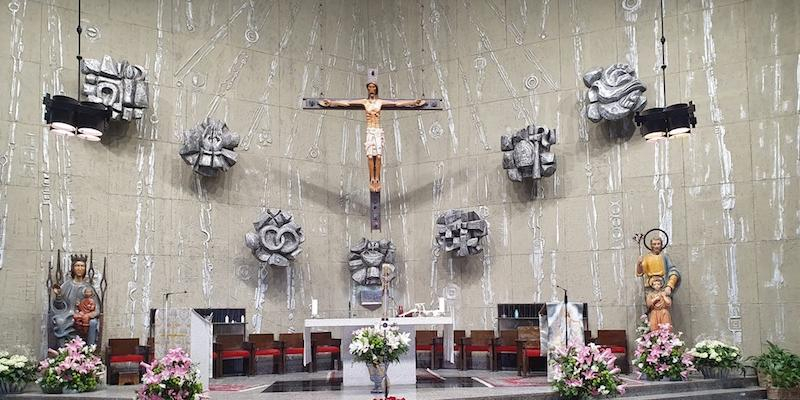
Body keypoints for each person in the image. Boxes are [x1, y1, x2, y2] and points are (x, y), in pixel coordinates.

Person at [319, 82, 425, 192]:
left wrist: (413, 102)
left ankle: (377, 179)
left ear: (376, 88)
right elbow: (347, 103)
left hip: (378, 131)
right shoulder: (364, 102)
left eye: (373, 87)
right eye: (369, 87)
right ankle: (371, 179)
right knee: (370, 156)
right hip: (370, 130)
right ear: (367, 89)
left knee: (378, 156)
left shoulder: (380, 102)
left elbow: (397, 103)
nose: (371, 88)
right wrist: (331, 102)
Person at [51, 256, 100, 346]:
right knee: (60, 321)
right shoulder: (66, 286)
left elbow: (97, 309)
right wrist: (58, 296)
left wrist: (88, 315)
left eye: (82, 266)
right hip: (68, 315)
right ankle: (62, 351)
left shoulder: (89, 288)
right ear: (73, 268)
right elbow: (59, 307)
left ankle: (89, 352)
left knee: (93, 323)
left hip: (83, 317)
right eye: (77, 266)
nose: (80, 268)